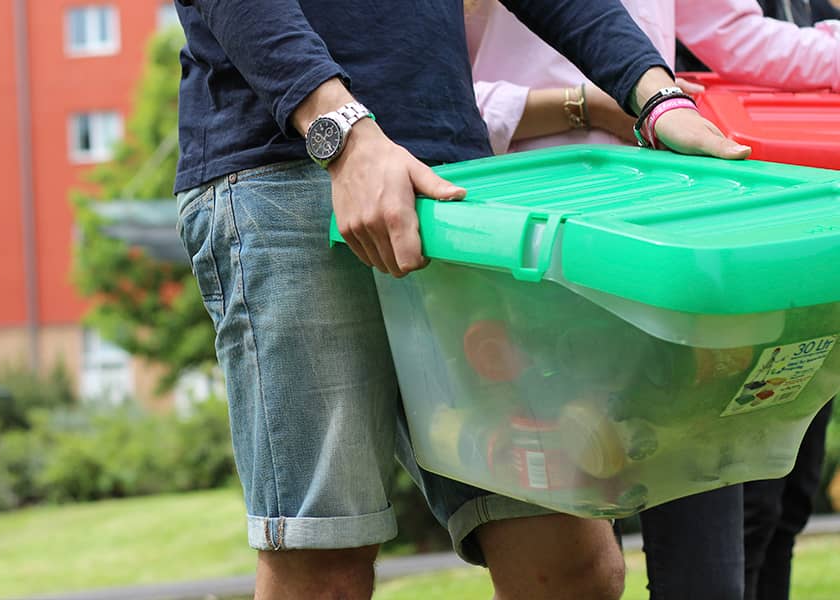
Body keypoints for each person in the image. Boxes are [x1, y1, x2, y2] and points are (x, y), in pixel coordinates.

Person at [172, 1, 749, 598]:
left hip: (454, 185)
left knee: (573, 567)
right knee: (325, 567)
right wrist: (343, 134)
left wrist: (656, 96)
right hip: (287, 170)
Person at [467, 1, 840, 599]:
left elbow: (729, 31)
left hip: (665, 243)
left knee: (713, 573)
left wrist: (660, 105)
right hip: (533, 268)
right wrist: (584, 106)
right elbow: (427, 104)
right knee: (578, 578)